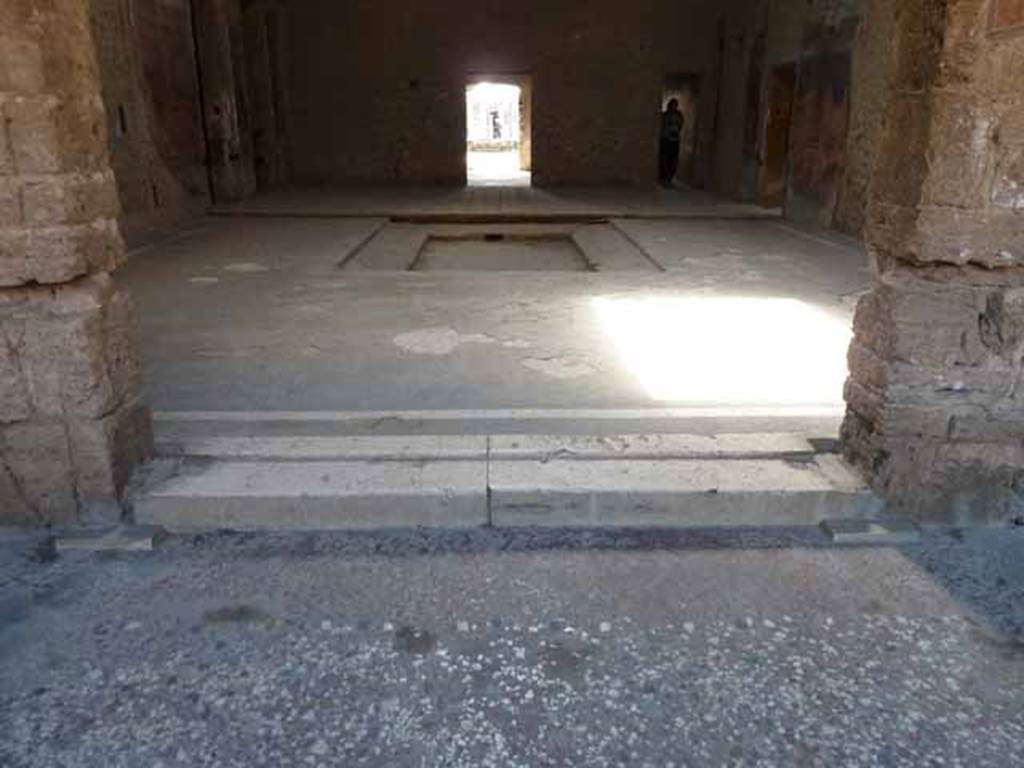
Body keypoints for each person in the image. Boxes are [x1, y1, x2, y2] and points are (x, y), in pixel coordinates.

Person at [659, 99, 684, 186]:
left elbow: (680, 125)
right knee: (664, 159)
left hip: (674, 140)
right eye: (673, 105)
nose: (674, 107)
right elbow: (662, 125)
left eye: (675, 105)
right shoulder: (665, 115)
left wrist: (675, 130)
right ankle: (663, 178)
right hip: (666, 140)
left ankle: (669, 179)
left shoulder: (679, 115)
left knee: (673, 161)